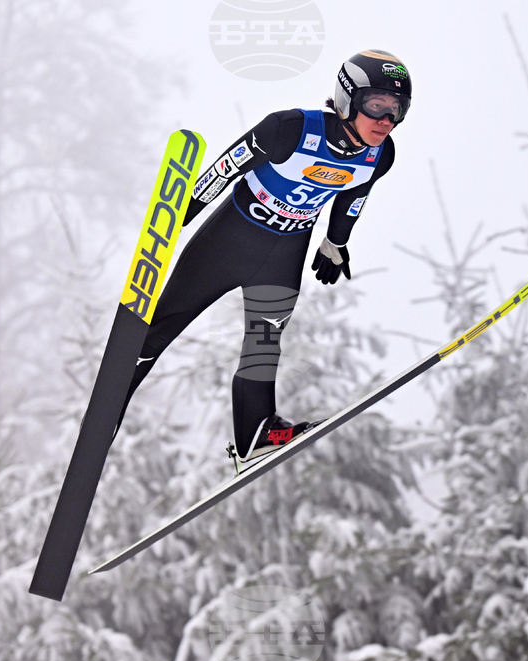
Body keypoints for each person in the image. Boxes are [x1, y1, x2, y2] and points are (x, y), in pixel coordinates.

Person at [115, 49, 411, 463]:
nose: (386, 120)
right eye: (375, 105)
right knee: (165, 324)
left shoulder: (381, 154)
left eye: (396, 110)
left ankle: (255, 432)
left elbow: (353, 197)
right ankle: (110, 405)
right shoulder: (289, 128)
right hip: (231, 237)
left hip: (285, 251)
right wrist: (177, 218)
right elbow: (225, 168)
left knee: (264, 341)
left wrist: (336, 242)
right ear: (347, 99)